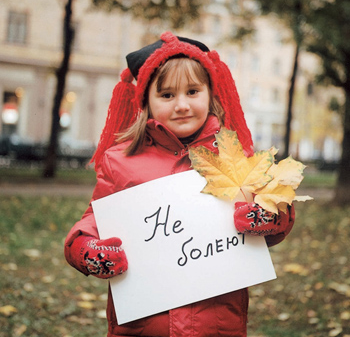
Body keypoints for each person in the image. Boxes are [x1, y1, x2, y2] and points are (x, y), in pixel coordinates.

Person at [64, 32, 295, 337]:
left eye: (192, 91)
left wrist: (268, 217)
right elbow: (94, 220)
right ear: (146, 100)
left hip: (217, 324)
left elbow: (275, 212)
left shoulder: (235, 155)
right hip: (143, 325)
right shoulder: (121, 160)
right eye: (167, 95)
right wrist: (84, 248)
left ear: (210, 94)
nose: (182, 105)